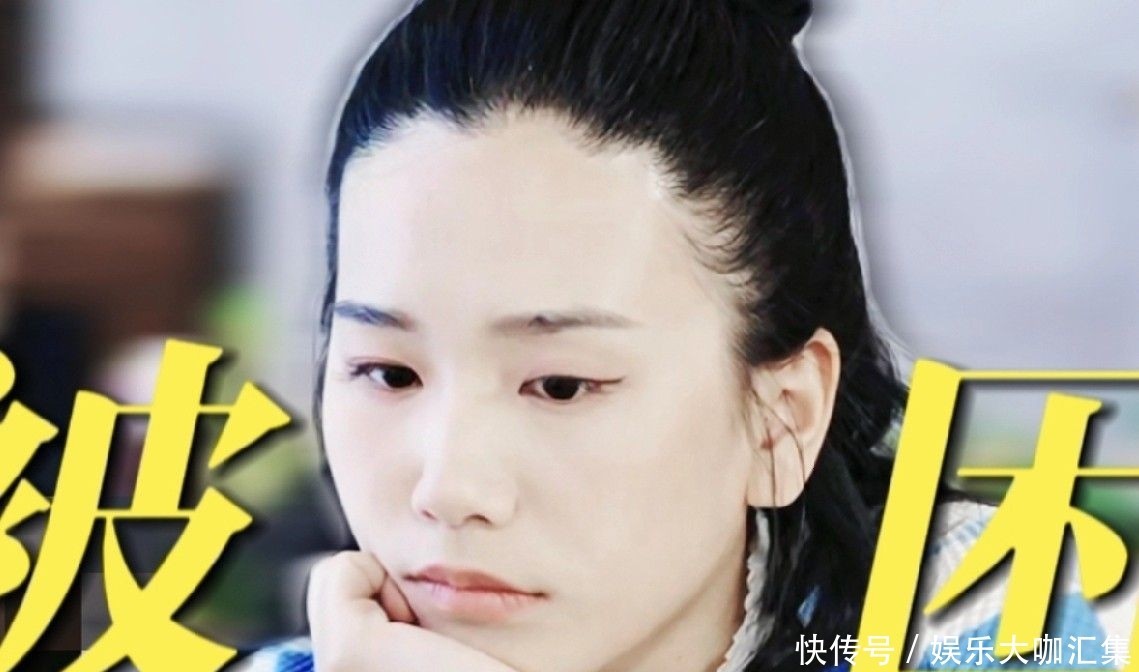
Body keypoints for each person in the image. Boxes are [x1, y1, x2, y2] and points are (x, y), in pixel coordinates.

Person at [242, 1, 1120, 670]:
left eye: (559, 385)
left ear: (782, 416)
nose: (448, 489)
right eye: (387, 373)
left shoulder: (984, 617)